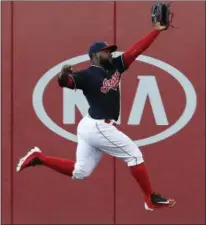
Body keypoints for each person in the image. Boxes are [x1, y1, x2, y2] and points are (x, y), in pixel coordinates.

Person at [16, 22, 176, 211]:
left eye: (110, 51)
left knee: (80, 172)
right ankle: (150, 198)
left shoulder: (116, 66)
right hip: (98, 126)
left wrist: (156, 31)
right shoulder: (87, 75)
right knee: (134, 155)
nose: (109, 53)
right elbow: (65, 82)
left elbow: (136, 49)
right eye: (105, 51)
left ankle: (39, 158)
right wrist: (63, 75)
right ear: (94, 56)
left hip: (90, 126)